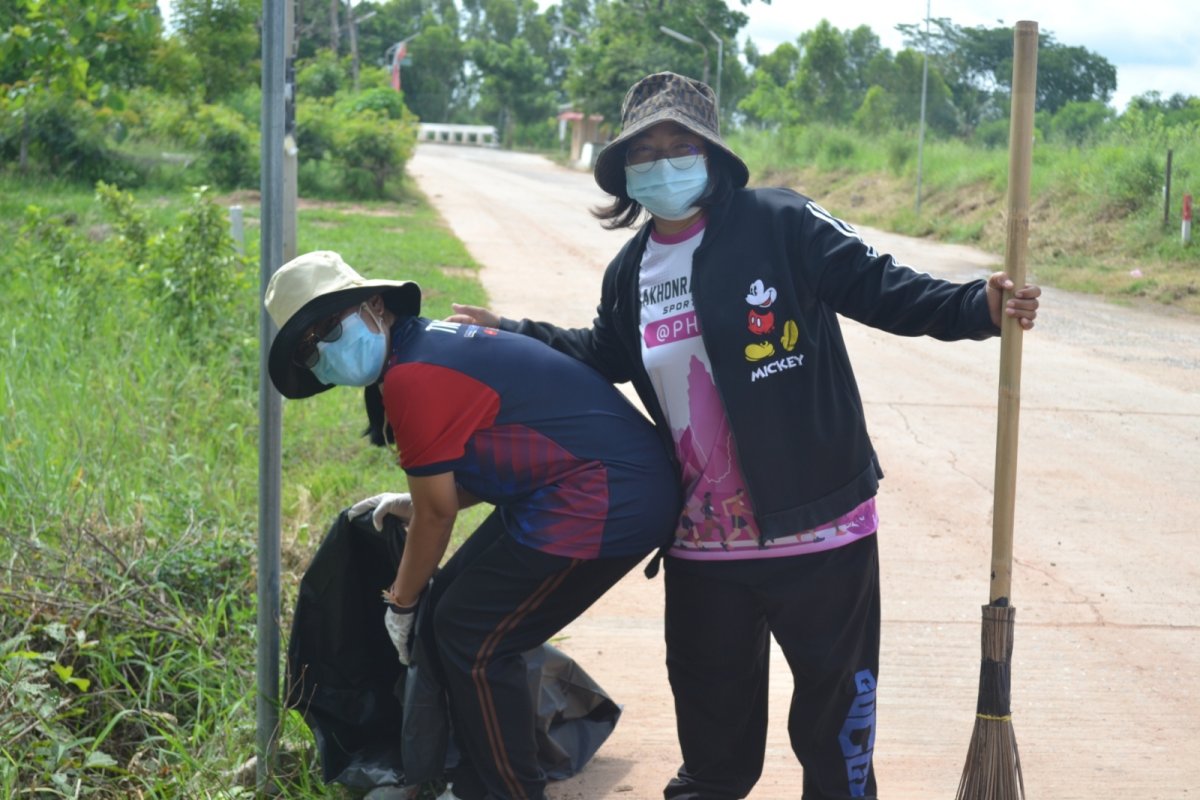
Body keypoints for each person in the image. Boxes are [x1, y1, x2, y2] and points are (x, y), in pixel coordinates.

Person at [447, 72, 1042, 800]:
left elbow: (880, 286)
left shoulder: (780, 222)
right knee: (714, 759)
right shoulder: (630, 270)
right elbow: (601, 351)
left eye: (681, 145)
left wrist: (974, 304)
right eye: (647, 150)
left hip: (823, 534)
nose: (664, 162)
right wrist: (511, 333)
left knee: (836, 749)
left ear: (714, 155)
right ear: (623, 169)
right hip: (702, 549)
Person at [263, 250, 680, 800]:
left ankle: (508, 789)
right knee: (452, 614)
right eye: (309, 346)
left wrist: (402, 603)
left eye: (328, 327)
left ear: (374, 306)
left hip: (608, 497)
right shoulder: (420, 349)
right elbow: (505, 447)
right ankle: (459, 775)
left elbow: (436, 517)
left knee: (474, 637)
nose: (323, 349)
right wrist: (417, 513)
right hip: (569, 487)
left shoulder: (413, 375)